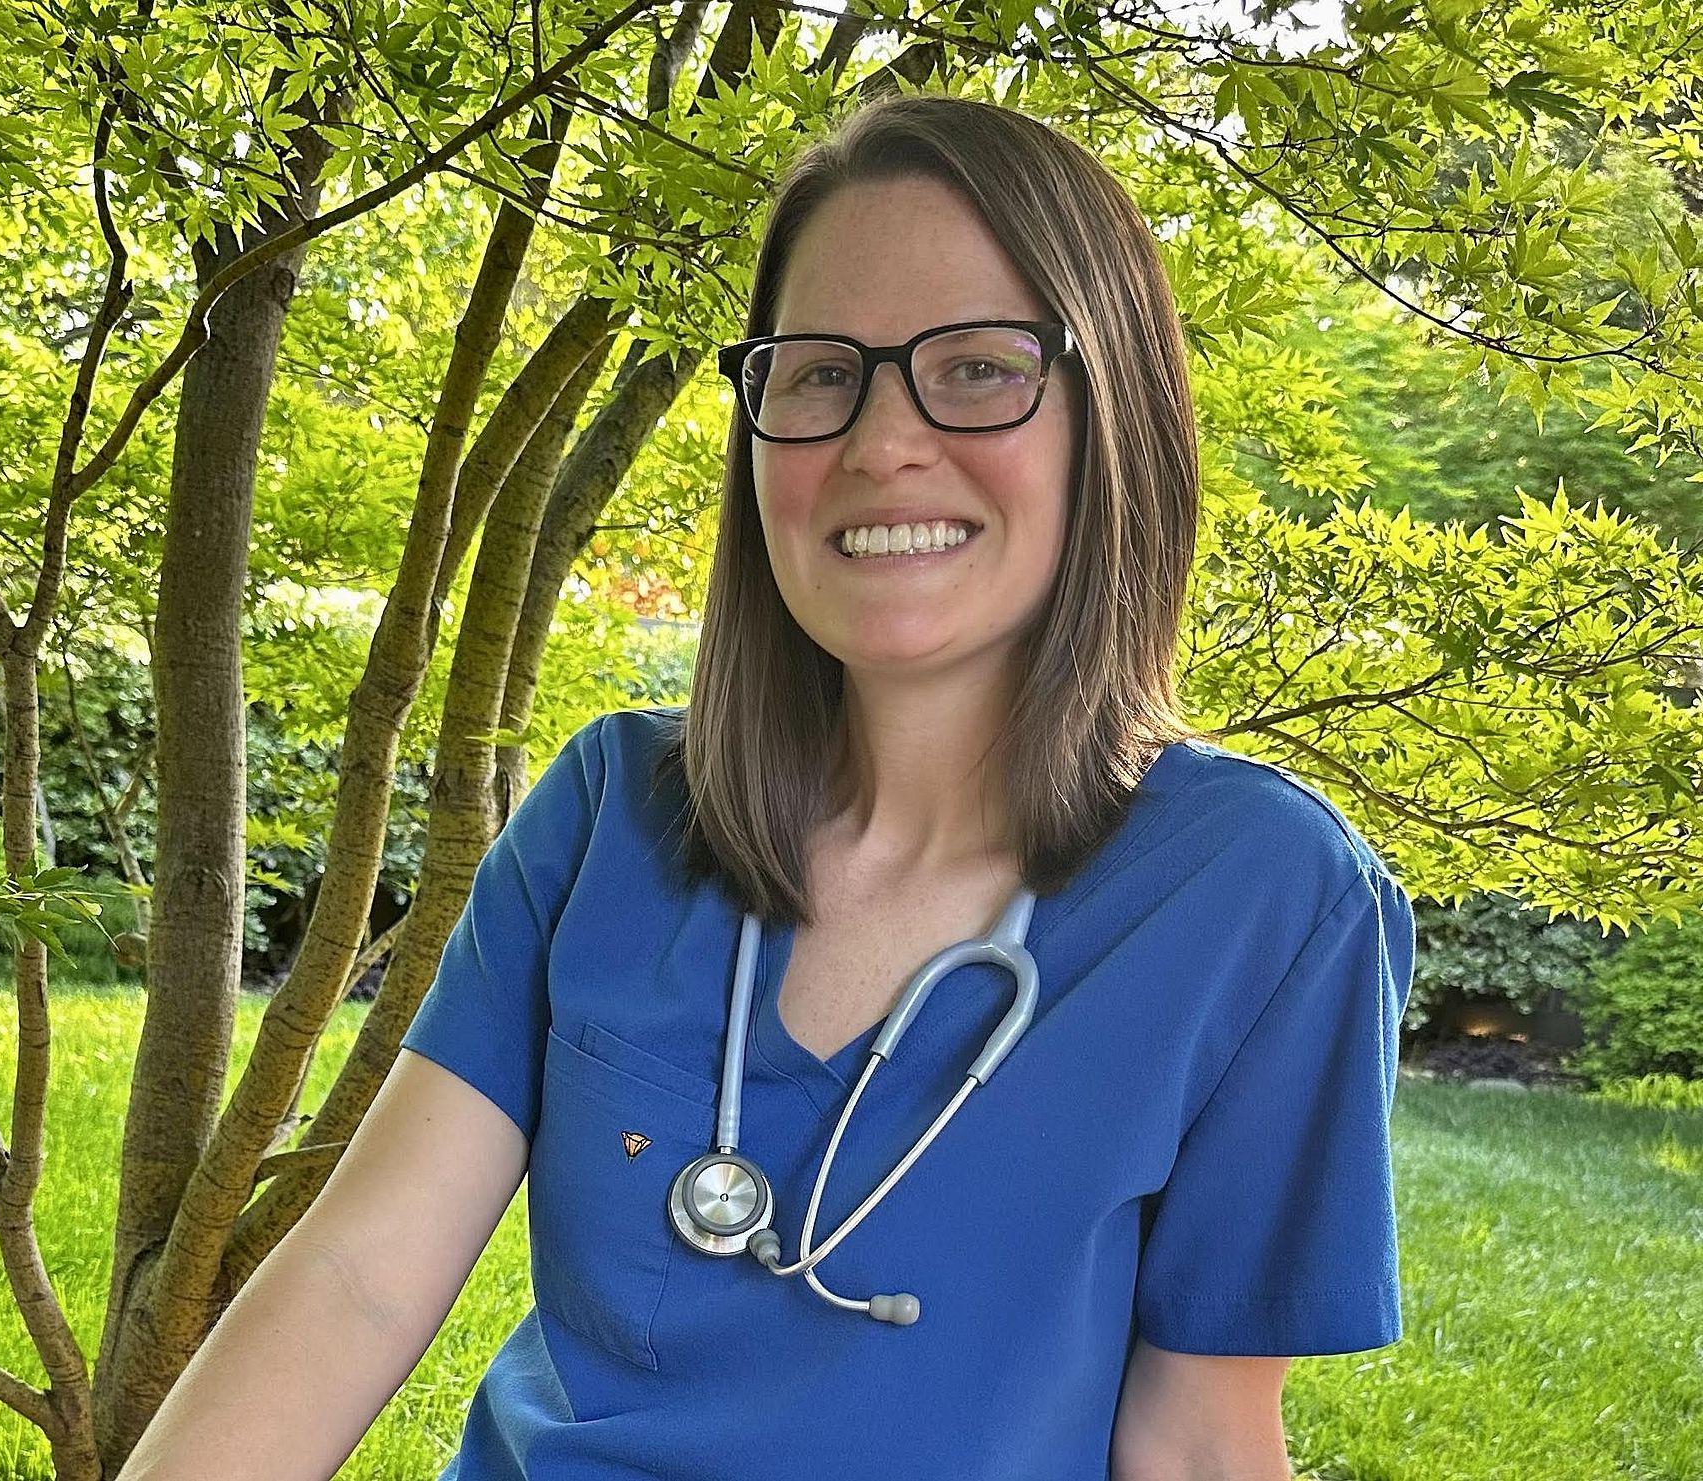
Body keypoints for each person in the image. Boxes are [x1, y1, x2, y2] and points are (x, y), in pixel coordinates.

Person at [121, 93, 1417, 1481]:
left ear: (1118, 418)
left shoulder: (1263, 900)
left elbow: (1201, 1437)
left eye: (977, 367)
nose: (878, 440)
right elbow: (357, 1280)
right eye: (817, 373)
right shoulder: (609, 818)